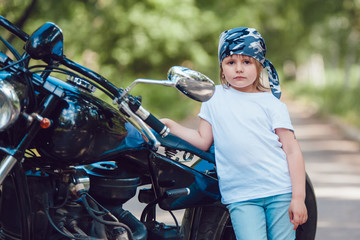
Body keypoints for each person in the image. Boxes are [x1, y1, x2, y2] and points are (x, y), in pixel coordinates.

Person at [161, 27, 307, 240]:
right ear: (222, 66)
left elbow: (292, 151)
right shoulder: (213, 98)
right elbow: (202, 141)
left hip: (279, 190)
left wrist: (298, 197)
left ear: (258, 65)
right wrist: (171, 126)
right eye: (231, 62)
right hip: (241, 195)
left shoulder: (271, 104)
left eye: (246, 62)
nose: (239, 69)